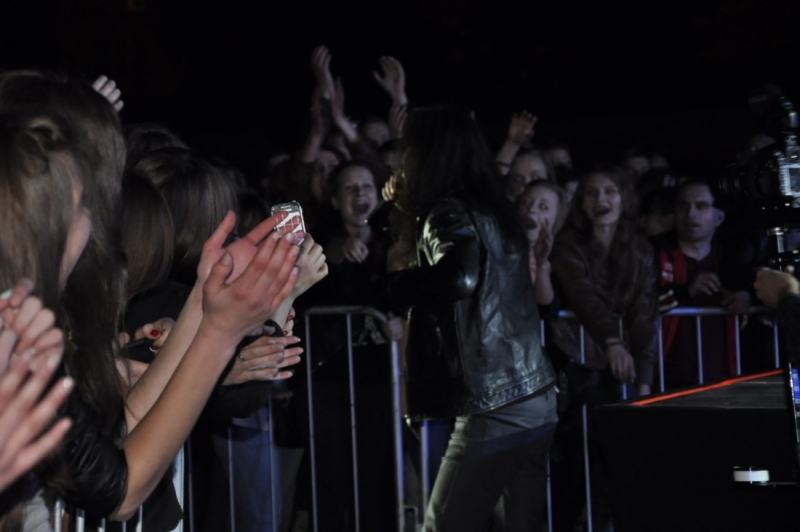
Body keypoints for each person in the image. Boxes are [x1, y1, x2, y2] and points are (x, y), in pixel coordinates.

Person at [0, 109, 301, 530]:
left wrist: (203, 300)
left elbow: (126, 428)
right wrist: (217, 334)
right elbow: (118, 491)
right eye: (85, 206)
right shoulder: (16, 333)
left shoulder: (27, 321)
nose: (98, 224)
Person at [380, 106, 557, 532]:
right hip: (536, 395)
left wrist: (390, 287)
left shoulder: (449, 211)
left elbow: (459, 276)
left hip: (495, 405)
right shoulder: (495, 210)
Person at [548, 163, 658, 532]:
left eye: (610, 191)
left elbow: (644, 313)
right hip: (575, 361)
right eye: (592, 192)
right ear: (581, 202)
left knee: (621, 449)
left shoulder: (639, 248)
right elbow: (584, 299)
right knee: (577, 452)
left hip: (618, 366)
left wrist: (644, 383)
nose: (601, 199)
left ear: (624, 198)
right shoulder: (567, 244)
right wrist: (612, 341)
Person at [652, 178, 753, 388]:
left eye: (701, 206)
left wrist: (747, 297)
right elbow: (639, 305)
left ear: (719, 216)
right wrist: (686, 291)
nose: (690, 214)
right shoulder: (654, 253)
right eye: (683, 206)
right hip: (666, 380)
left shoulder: (733, 258)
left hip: (725, 378)